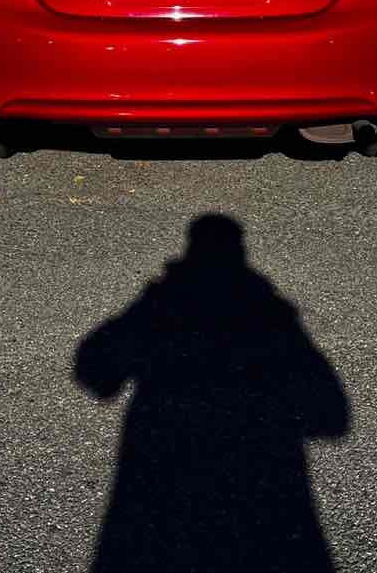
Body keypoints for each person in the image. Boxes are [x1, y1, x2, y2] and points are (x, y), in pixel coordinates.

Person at [75, 215, 350, 573]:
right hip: (261, 499)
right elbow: (331, 418)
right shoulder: (272, 317)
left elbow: (95, 370)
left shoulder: (160, 306)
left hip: (163, 492)